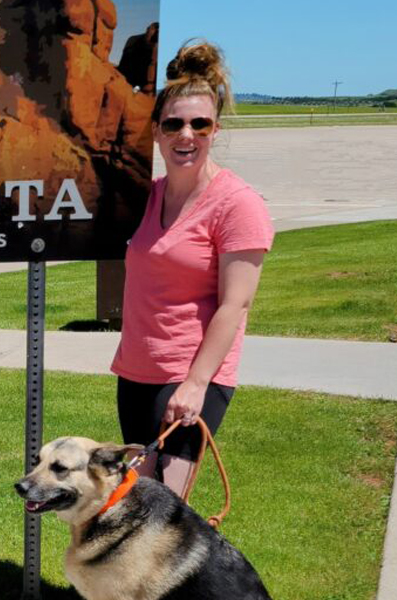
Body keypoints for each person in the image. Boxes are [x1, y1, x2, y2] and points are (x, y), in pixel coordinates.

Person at [110, 40, 274, 496]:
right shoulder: (150, 194)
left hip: (191, 373)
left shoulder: (238, 205)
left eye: (200, 124)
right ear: (158, 132)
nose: (187, 135)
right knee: (135, 504)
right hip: (137, 370)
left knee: (164, 509)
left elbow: (235, 305)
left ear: (215, 129)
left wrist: (196, 384)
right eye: (175, 124)